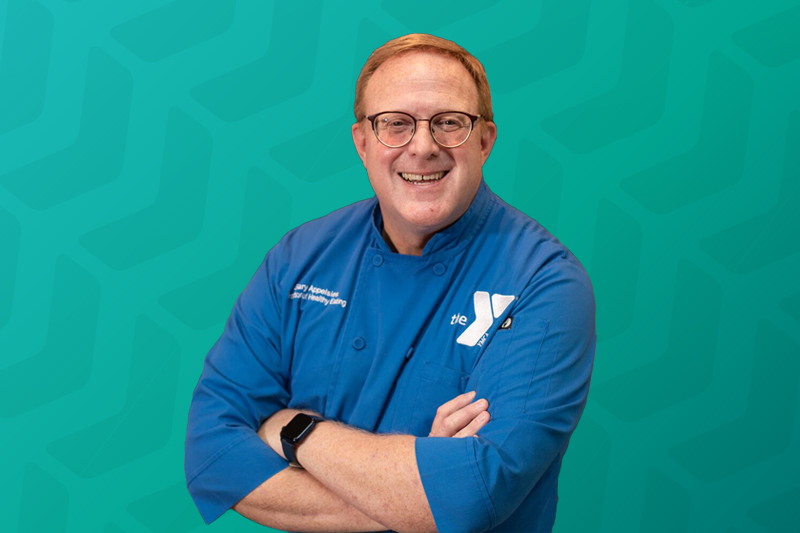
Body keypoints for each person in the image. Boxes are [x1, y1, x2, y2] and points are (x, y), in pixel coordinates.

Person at [184, 34, 596, 533]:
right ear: (362, 142)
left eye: (449, 123)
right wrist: (414, 488)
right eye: (394, 125)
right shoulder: (299, 258)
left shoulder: (545, 283)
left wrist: (295, 431)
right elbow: (211, 452)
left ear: (485, 140)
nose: (422, 148)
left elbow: (473, 495)